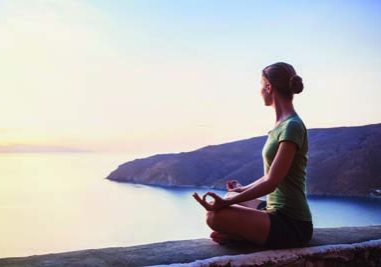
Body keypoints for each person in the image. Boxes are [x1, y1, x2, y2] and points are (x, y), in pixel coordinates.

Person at [192, 62, 313, 249]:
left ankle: (241, 237)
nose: (260, 91)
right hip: (273, 210)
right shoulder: (282, 125)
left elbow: (272, 181)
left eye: (260, 84)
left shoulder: (292, 126)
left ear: (268, 87)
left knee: (214, 216)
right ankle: (243, 234)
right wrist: (242, 190)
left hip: (292, 224)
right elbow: (271, 175)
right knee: (232, 193)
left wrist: (227, 202)